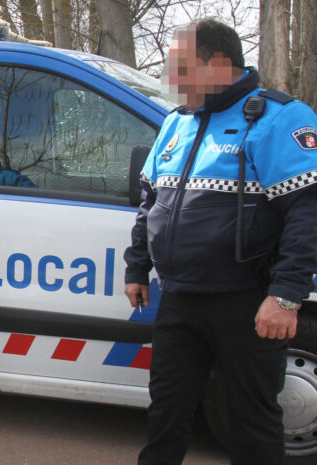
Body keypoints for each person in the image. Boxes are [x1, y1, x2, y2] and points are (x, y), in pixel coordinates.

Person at [123, 19, 317, 465]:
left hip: (246, 302)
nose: (171, 81)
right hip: (180, 299)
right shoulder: (176, 122)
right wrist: (138, 268)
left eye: (180, 69)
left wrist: (286, 297)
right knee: (166, 413)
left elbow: (307, 212)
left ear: (219, 65)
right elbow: (150, 201)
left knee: (250, 420)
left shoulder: (278, 118)